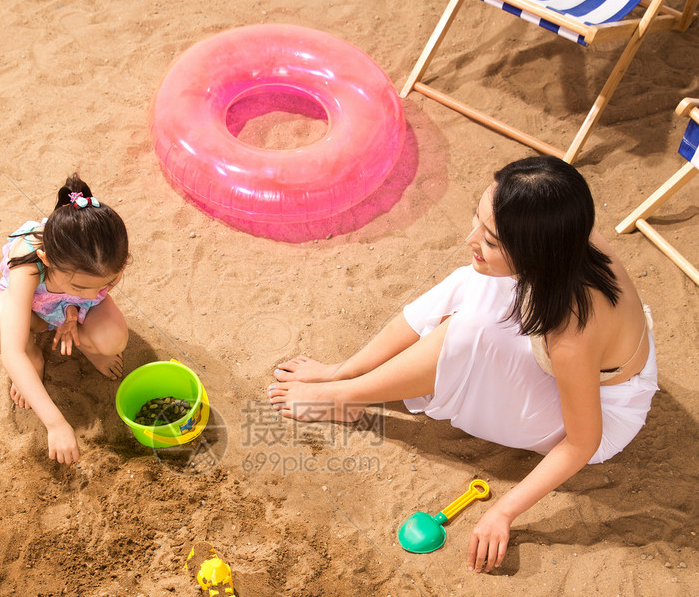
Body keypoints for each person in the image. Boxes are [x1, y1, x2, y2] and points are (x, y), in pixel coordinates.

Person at [268, 156, 658, 573]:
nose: (472, 237)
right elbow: (491, 263)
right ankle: (344, 373)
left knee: (469, 334)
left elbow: (583, 443)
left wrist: (504, 512)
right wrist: (489, 253)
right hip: (581, 358)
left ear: (536, 252)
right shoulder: (563, 225)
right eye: (479, 220)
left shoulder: (572, 334)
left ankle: (342, 396)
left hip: (599, 414)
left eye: (491, 241)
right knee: (473, 279)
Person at [0, 174, 129, 465]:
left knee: (112, 340)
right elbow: (10, 349)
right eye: (81, 287)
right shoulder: (27, 259)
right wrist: (55, 423)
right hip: (36, 312)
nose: (97, 291)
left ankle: (87, 346)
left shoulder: (103, 255)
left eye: (108, 282)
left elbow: (90, 293)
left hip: (71, 310)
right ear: (47, 259)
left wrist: (75, 310)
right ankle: (35, 357)